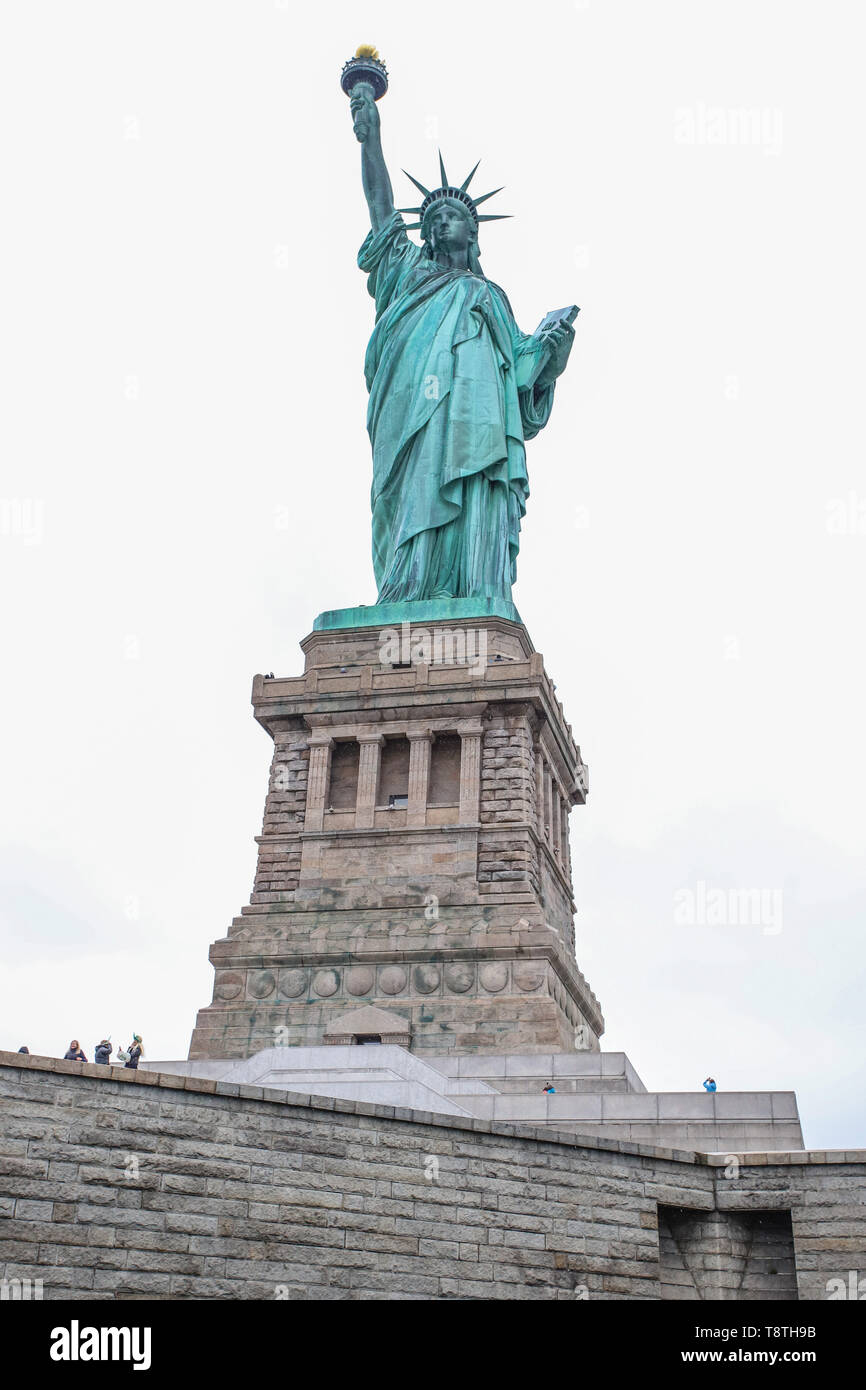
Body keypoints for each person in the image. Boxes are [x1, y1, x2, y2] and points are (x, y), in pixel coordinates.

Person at [348, 83, 575, 604]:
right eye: (429, 221)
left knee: (475, 485)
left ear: (473, 233)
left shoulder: (489, 296)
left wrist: (551, 355)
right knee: (413, 492)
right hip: (412, 417)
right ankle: (408, 591)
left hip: (477, 427)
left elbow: (522, 373)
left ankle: (475, 589)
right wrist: (370, 138)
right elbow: (381, 210)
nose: (437, 224)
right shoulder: (405, 274)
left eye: (450, 218)